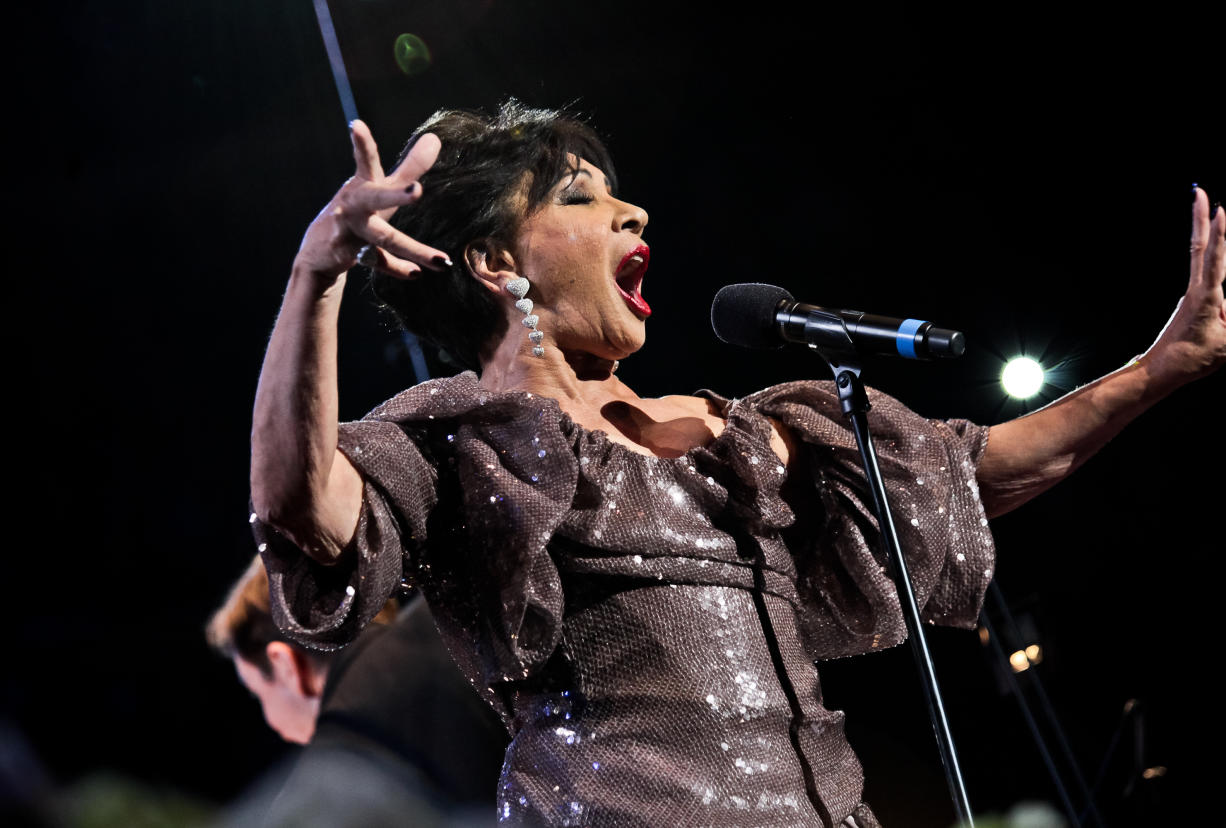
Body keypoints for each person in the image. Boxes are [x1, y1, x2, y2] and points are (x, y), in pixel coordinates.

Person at [247, 101, 1225, 827]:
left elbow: (980, 472)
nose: (634, 213)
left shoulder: (745, 435)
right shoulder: (463, 437)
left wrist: (1158, 370)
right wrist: (317, 272)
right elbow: (304, 510)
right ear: (497, 263)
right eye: (583, 197)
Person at [206, 555, 509, 826]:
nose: (274, 726)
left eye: (258, 694)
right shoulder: (461, 612)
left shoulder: (355, 757)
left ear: (285, 665)